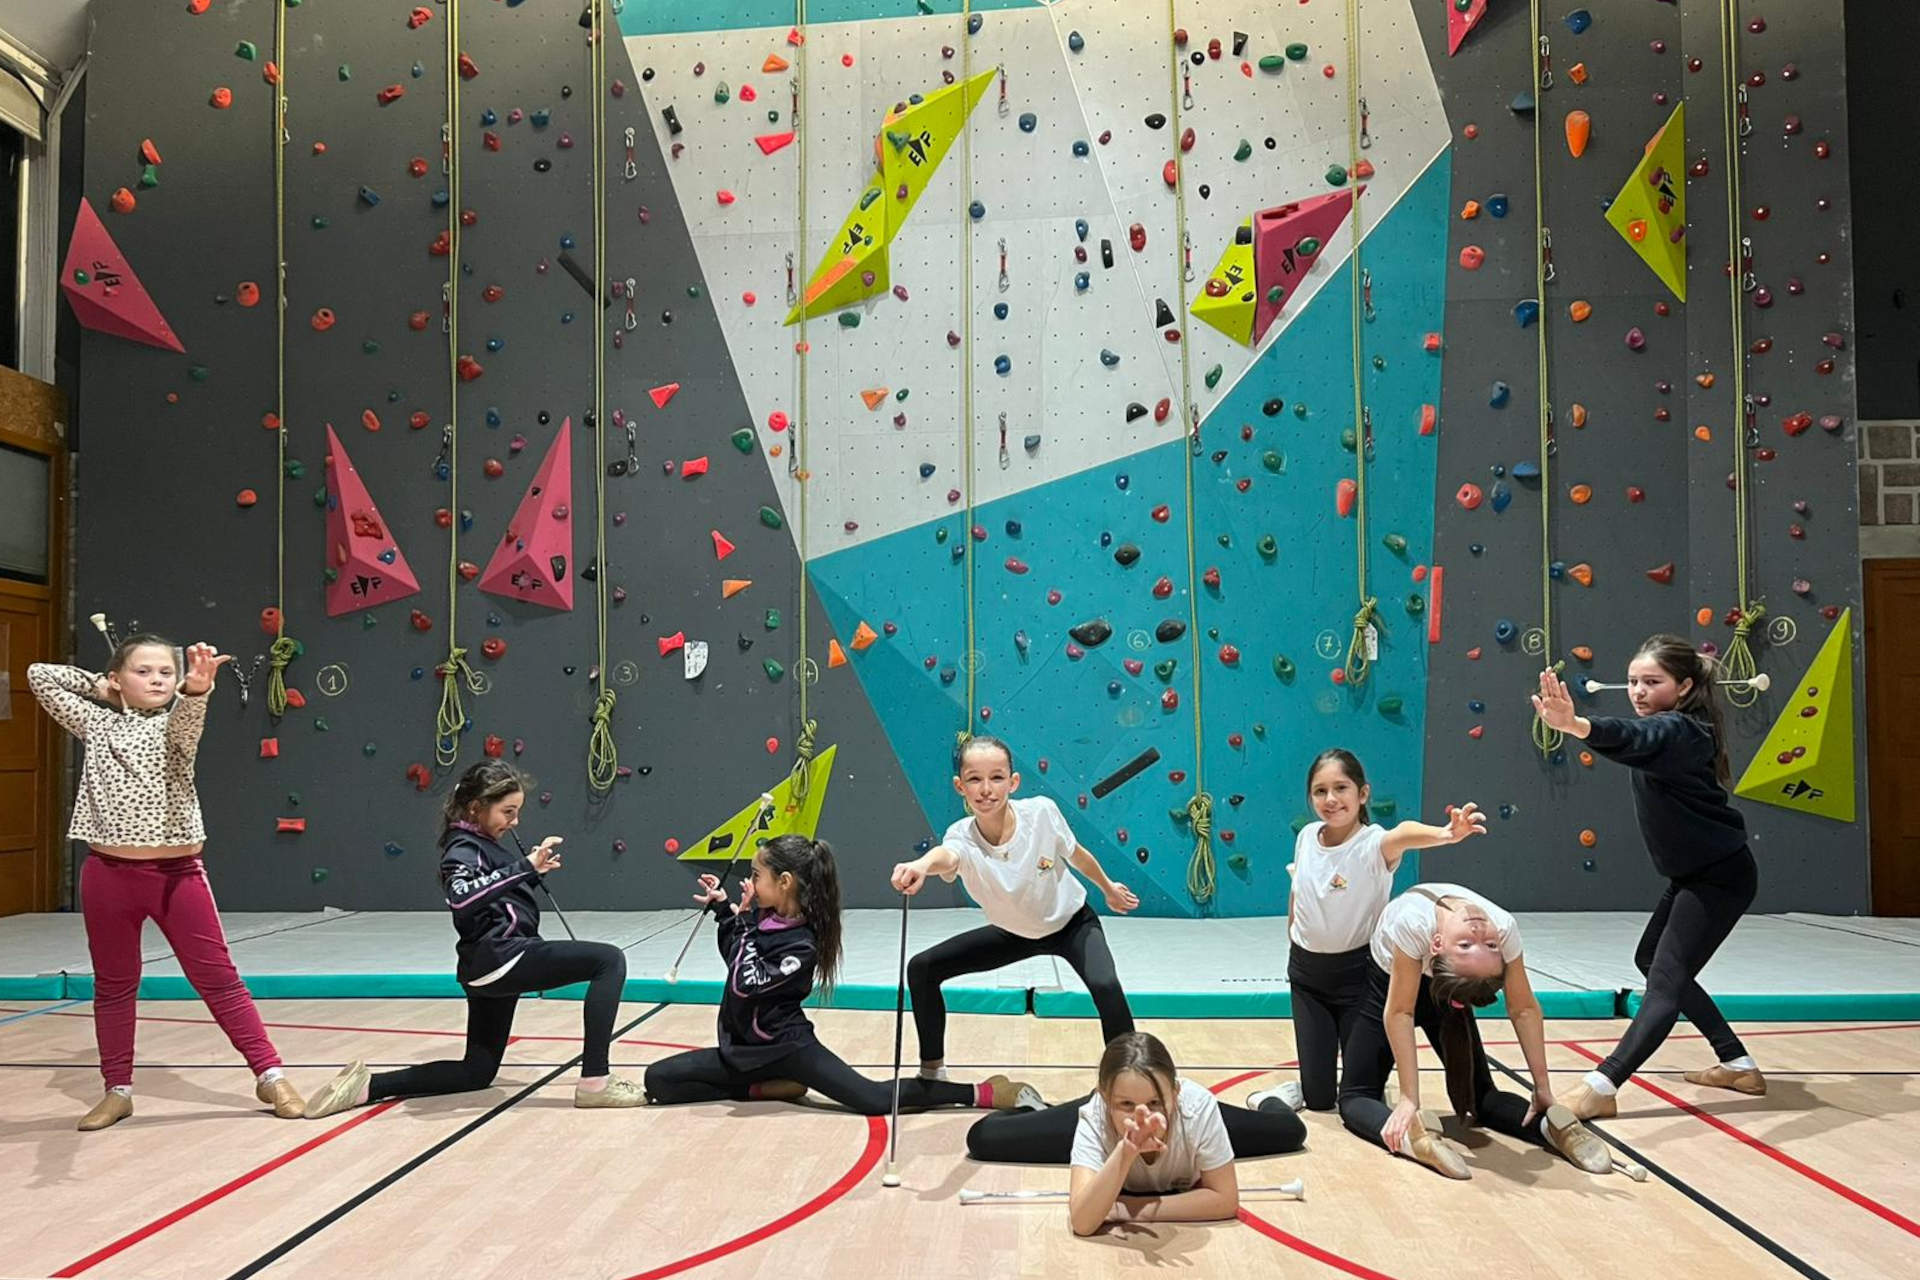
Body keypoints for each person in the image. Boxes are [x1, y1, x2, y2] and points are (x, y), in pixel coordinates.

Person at [29, 638, 305, 1130]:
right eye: (143, 671)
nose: (157, 679)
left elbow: (187, 721)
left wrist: (196, 690)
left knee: (218, 979)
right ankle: (117, 1089)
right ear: (118, 678)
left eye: (165, 671)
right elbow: (39, 675)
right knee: (114, 985)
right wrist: (101, 687)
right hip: (108, 876)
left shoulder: (174, 727)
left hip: (177, 878)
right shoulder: (96, 723)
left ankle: (270, 1073)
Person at [305, 760, 643, 1116]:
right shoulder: (462, 847)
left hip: (487, 966)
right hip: (502, 957)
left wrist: (530, 871)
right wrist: (523, 868)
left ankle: (369, 1086)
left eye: (517, 812)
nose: (514, 822)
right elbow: (461, 898)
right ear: (476, 808)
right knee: (609, 960)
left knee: (476, 1071)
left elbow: (494, 894)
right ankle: (595, 1081)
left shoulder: (479, 843)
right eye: (508, 812)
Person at [644, 834, 1043, 1114]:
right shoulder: (763, 919)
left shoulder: (801, 945)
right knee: (659, 1080)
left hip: (786, 1048)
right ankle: (762, 1089)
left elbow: (746, 983)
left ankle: (982, 1092)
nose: (751, 880)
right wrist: (724, 912)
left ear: (783, 883)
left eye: (758, 874)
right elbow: (736, 958)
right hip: (741, 1052)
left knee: (870, 1100)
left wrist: (743, 922)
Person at [1533, 639, 1764, 1119]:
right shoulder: (1676, 729)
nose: (1638, 691)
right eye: (1634, 681)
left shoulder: (1681, 731)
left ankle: (1603, 1084)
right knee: (1650, 960)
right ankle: (1737, 1062)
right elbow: (1636, 737)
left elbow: (1637, 738)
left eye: (1652, 682)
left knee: (1664, 982)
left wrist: (1576, 725)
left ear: (1683, 687)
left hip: (1719, 876)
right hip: (1695, 874)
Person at [1251, 749, 1485, 1116]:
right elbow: (1300, 890)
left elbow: (1404, 833)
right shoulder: (1308, 835)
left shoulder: (1375, 842)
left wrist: (1445, 834)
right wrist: (1294, 931)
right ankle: (1295, 1089)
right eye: (1320, 791)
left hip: (1359, 980)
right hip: (1308, 979)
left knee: (1360, 1092)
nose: (1330, 799)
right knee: (1320, 1098)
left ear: (1363, 794)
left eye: (1341, 788)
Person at [890, 735, 1138, 1079]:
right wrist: (919, 866)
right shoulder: (960, 835)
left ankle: (1129, 1076)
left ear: (1013, 782)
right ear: (960, 786)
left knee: (1107, 986)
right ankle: (932, 1075)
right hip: (1014, 934)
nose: (986, 789)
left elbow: (1076, 853)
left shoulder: (1041, 813)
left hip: (1072, 926)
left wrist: (1108, 889)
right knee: (922, 968)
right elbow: (946, 856)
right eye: (975, 779)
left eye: (996, 777)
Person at [1339, 884, 1614, 1179]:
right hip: (1415, 985)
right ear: (1436, 945)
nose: (1480, 934)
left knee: (1358, 1096)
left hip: (1440, 990)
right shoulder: (1471, 925)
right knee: (1476, 1095)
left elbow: (1523, 1009)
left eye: (1486, 946)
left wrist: (1542, 1087)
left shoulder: (1452, 925)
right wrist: (1409, 1098)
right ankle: (1420, 1137)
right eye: (1470, 945)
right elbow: (1401, 1012)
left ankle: (1548, 1128)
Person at [969, 1032, 1303, 1236]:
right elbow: (1084, 1222)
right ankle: (1033, 1108)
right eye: (1127, 1104)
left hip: (1187, 1122)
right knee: (983, 1139)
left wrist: (1125, 1207)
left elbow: (1225, 1200)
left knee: (1290, 1132)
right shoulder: (1096, 1115)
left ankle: (1268, 1099)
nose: (1143, 1117)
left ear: (1174, 1093)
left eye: (1154, 1102)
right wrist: (1125, 1152)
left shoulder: (1195, 1108)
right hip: (1101, 1125)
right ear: (1104, 1097)